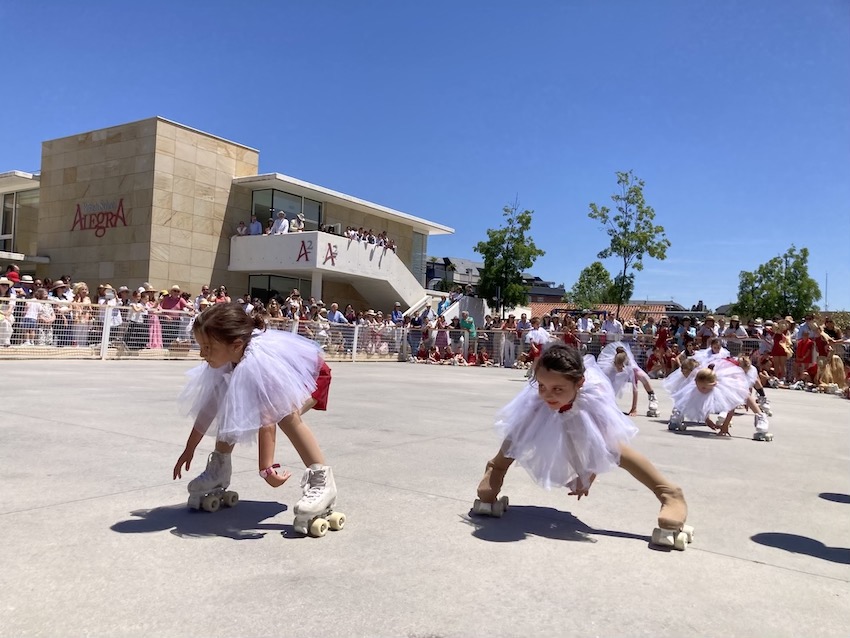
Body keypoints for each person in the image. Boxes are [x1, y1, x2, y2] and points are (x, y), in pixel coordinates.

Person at [473, 343, 692, 549]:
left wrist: (587, 475)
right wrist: (550, 391)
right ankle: (496, 467)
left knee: (614, 449)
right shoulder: (543, 397)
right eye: (541, 386)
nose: (548, 394)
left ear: (579, 383)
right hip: (554, 403)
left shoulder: (591, 399)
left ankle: (669, 493)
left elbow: (588, 442)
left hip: (582, 407)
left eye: (557, 389)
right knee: (521, 433)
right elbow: (540, 413)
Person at [172, 302, 340, 535]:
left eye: (208, 347)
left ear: (236, 345)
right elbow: (209, 407)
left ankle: (322, 481)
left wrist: (266, 468)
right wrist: (189, 448)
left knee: (287, 416)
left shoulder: (258, 363)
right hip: (276, 378)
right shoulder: (224, 359)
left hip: (310, 377)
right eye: (201, 346)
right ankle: (219, 469)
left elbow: (268, 417)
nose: (202, 354)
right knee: (231, 407)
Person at [670, 360, 771, 439]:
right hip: (709, 373)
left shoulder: (723, 386)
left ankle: (761, 416)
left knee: (743, 393)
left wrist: (725, 425)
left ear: (714, 385)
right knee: (689, 394)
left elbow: (732, 407)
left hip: (725, 374)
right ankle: (678, 414)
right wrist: (707, 420)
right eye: (699, 387)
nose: (701, 390)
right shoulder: (697, 386)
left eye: (704, 388)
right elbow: (700, 403)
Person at [597, 342, 658, 416]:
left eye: (621, 368)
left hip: (631, 369)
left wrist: (634, 408)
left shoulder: (631, 368)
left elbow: (635, 389)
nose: (620, 369)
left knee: (641, 376)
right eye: (618, 367)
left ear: (624, 366)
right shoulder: (610, 369)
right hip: (613, 371)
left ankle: (652, 397)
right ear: (614, 364)